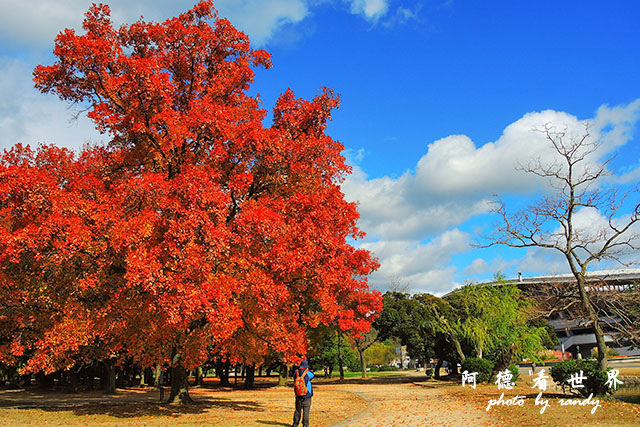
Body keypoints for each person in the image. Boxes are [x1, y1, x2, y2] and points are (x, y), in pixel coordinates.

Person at [292, 359, 314, 427]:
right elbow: (312, 376)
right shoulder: (308, 373)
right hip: (307, 394)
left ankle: (295, 424)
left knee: (297, 410)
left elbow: (294, 378)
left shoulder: (296, 372)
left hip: (298, 394)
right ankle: (305, 425)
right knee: (306, 410)